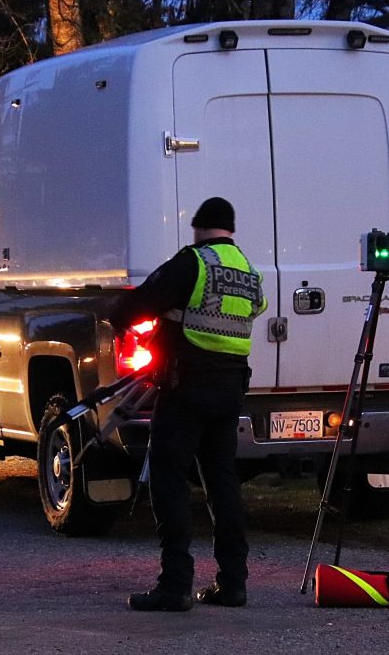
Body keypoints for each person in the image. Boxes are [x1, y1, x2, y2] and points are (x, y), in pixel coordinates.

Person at [110, 197, 267, 612]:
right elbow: (255, 310)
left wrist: (126, 323)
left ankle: (175, 585)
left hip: (186, 388)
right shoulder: (248, 272)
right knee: (222, 481)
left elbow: (135, 305)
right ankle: (233, 584)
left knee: (169, 477)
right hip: (230, 390)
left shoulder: (192, 262)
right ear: (230, 230)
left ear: (198, 228)